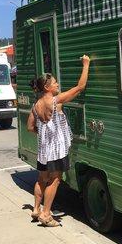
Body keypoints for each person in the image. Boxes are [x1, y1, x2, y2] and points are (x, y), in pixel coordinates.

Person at [27, 55, 90, 227]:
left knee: (41, 178)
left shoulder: (36, 105)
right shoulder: (54, 101)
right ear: (47, 87)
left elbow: (30, 127)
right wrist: (86, 64)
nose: (57, 84)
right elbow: (80, 87)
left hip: (43, 150)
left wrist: (44, 133)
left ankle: (35, 209)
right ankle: (46, 214)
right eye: (54, 82)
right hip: (56, 149)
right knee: (55, 179)